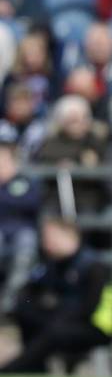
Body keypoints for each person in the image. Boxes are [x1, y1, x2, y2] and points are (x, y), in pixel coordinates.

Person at [0, 218, 112, 374]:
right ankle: (36, 370)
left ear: (69, 237)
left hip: (96, 327)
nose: (46, 243)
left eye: (51, 238)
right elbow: (29, 291)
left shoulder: (94, 266)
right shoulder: (52, 264)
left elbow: (89, 308)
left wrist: (57, 314)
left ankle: (10, 371)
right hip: (62, 319)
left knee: (55, 332)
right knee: (25, 313)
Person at [0, 122, 39, 314]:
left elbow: (32, 203)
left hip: (22, 232)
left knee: (26, 244)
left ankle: (8, 305)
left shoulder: (24, 181)